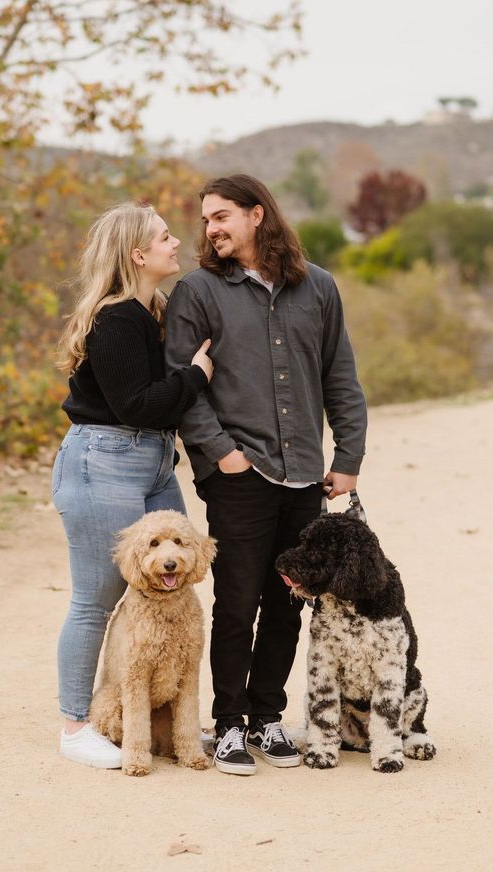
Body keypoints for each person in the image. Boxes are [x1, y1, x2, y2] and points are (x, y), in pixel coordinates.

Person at [165, 174, 367, 776]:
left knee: (289, 602)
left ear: (258, 215)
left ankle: (267, 719)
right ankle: (228, 726)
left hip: (306, 473)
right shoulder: (196, 291)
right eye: (206, 220)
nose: (212, 228)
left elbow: (341, 380)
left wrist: (347, 460)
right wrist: (222, 452)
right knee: (236, 602)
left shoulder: (319, 287)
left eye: (222, 216)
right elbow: (183, 383)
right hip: (238, 474)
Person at [52, 203, 213, 768]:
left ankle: (172, 723)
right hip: (104, 458)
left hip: (153, 461)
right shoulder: (117, 317)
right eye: (165, 237)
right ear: (138, 255)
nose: (177, 243)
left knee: (175, 574)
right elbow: (137, 404)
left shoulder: (156, 312)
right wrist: (196, 377)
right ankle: (76, 727)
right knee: (96, 599)